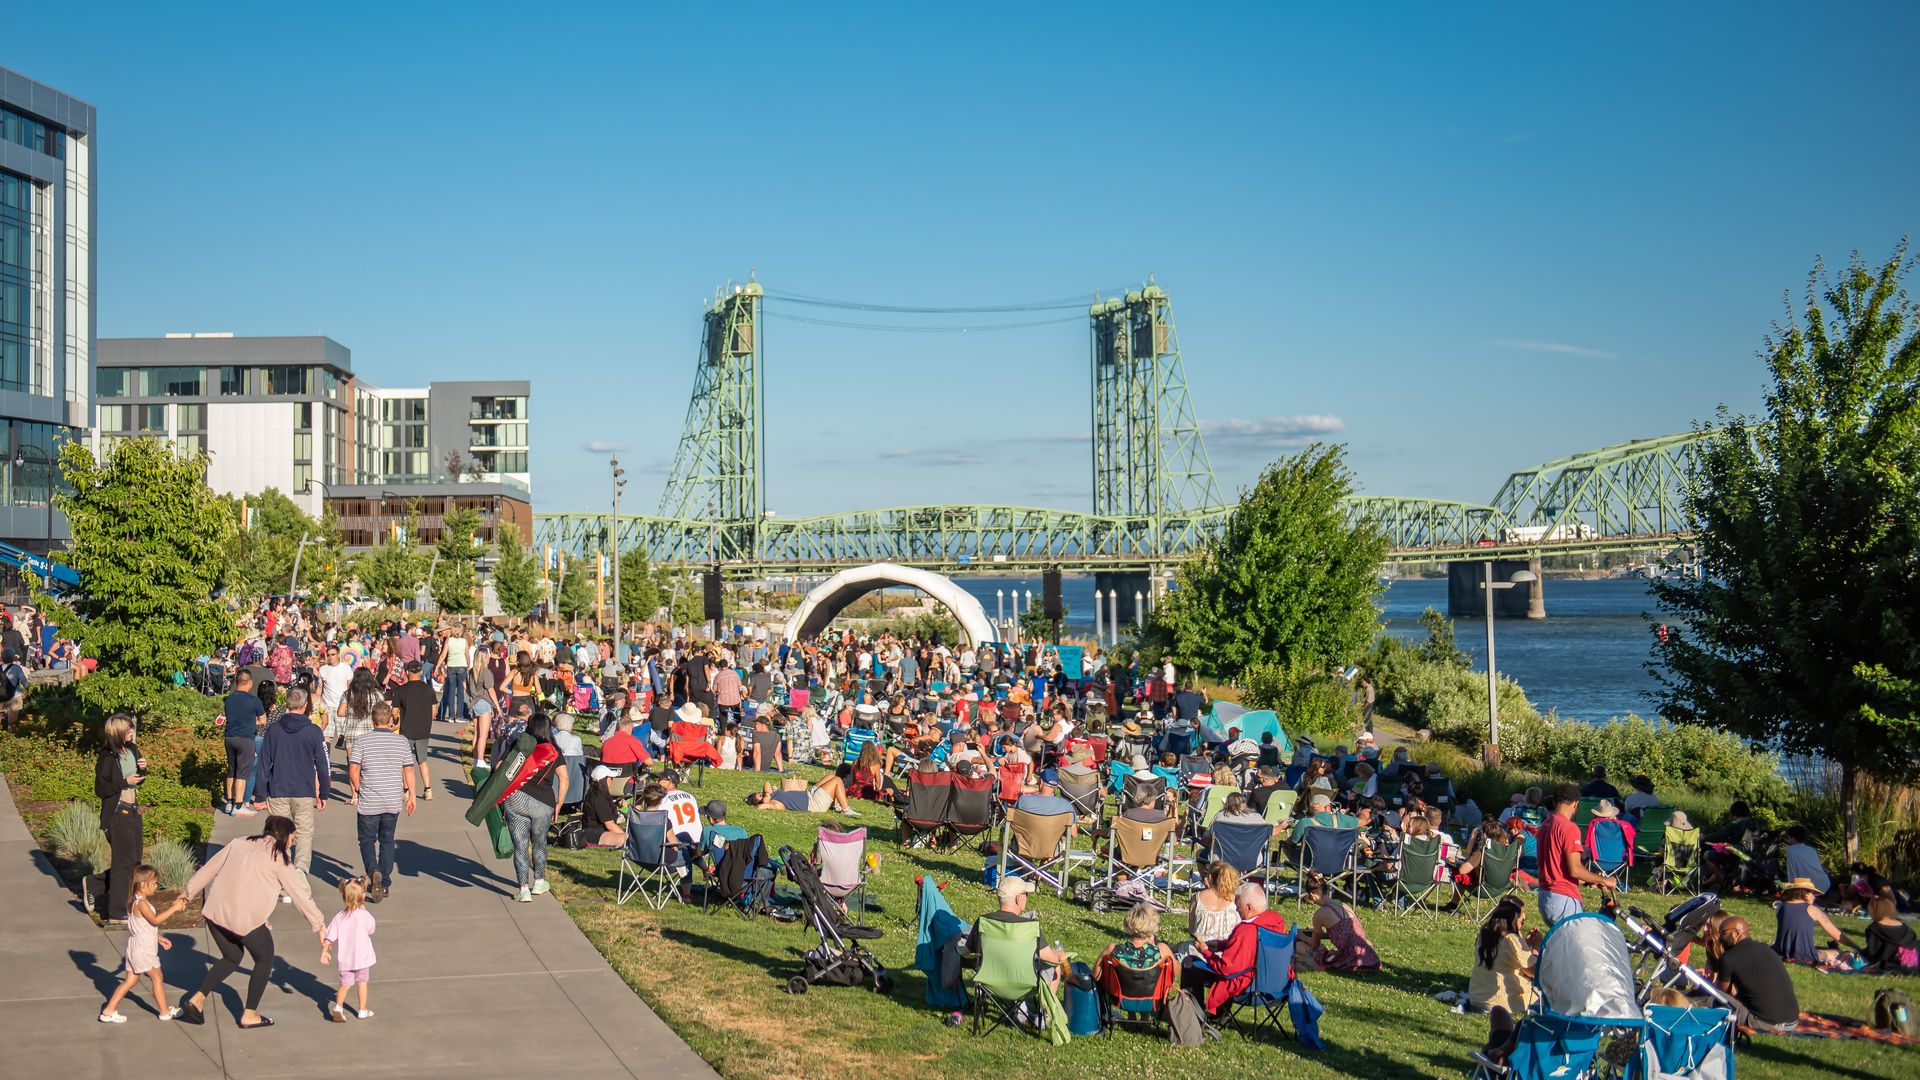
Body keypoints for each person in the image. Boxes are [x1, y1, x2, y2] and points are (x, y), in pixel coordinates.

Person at [177, 816, 327, 1029]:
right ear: (283, 836)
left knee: (232, 957)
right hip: (244, 921)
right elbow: (300, 895)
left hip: (215, 914)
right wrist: (319, 924)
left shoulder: (238, 843)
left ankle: (197, 999)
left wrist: (188, 893)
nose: (292, 843)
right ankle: (249, 1014)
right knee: (265, 959)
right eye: (292, 837)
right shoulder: (280, 861)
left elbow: (209, 869)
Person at [259, 688, 329, 898]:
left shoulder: (274, 730)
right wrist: (324, 792)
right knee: (304, 832)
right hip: (303, 790)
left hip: (278, 788)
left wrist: (260, 794)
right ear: (306, 705)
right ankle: (299, 870)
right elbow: (323, 765)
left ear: (287, 704)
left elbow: (263, 762)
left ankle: (283, 877)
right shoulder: (314, 731)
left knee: (280, 834)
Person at [347, 701, 417, 902]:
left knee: (367, 840)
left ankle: (373, 871)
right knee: (387, 841)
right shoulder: (401, 742)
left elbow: (353, 770)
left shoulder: (362, 741)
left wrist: (360, 789)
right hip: (392, 800)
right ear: (391, 720)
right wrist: (412, 795)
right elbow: (409, 770)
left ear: (372, 720)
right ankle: (384, 883)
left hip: (370, 801)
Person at [98, 865, 186, 1023]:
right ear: (143, 884)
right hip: (144, 949)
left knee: (130, 981)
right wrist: (174, 907)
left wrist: (158, 937)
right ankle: (165, 1012)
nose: (156, 886)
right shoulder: (142, 904)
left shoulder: (134, 901)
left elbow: (142, 926)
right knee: (157, 977)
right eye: (154, 883)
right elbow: (155, 920)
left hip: (135, 946)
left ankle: (108, 1011)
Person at [1192, 882, 1290, 1015]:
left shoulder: (1246, 931)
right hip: (1278, 987)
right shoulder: (1275, 921)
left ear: (1249, 907)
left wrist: (1205, 951)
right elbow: (1254, 948)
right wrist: (1222, 945)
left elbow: (1226, 969)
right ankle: (1218, 1017)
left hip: (1250, 990)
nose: (1236, 910)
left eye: (1238, 906)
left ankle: (1195, 1016)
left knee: (1190, 964)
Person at [501, 715, 568, 903]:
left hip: (516, 799)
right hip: (543, 803)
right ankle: (539, 882)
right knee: (539, 843)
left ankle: (523, 889)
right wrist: (559, 804)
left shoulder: (519, 746)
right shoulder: (554, 752)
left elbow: (501, 767)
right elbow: (564, 778)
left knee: (520, 846)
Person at [1467, 896, 1539, 1069]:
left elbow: (1508, 960)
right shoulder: (1511, 941)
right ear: (1513, 918)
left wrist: (1525, 945)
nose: (1523, 922)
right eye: (1522, 918)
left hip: (1478, 996)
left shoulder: (1484, 934)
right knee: (1539, 997)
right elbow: (1535, 972)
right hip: (1499, 1000)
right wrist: (1537, 947)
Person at [963, 877, 1069, 987]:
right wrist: (1057, 954)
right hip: (1022, 985)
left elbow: (966, 952)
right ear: (1018, 899)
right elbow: (1051, 960)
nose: (1027, 898)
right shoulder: (1029, 928)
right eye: (1026, 894)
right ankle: (1044, 1005)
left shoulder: (982, 922)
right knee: (1055, 967)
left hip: (990, 983)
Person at [93, 713, 147, 924]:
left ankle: (96, 884)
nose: (132, 732)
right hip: (117, 811)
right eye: (128, 729)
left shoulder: (132, 749)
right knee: (124, 862)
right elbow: (101, 789)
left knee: (134, 860)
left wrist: (143, 768)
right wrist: (124, 781)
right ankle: (116, 912)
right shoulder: (107, 757)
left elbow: (137, 779)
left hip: (133, 808)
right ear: (117, 732)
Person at [1537, 782, 1616, 925]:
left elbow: (1558, 868)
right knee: (1575, 945)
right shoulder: (1569, 828)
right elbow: (1575, 869)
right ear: (1575, 803)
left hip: (1545, 896)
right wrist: (1603, 880)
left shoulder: (1546, 825)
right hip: (1563, 898)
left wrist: (1591, 879)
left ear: (1555, 802)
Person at [1715, 915, 1800, 1029]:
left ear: (1736, 933)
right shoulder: (1767, 949)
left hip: (1764, 1023)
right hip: (1792, 1021)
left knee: (1709, 998)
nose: (1720, 938)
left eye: (1723, 933)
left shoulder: (1729, 958)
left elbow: (1722, 994)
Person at [1295, 870, 1380, 972]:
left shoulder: (1319, 915)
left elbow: (1314, 945)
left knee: (1299, 946)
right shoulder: (1344, 905)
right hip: (1369, 957)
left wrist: (1300, 935)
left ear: (1312, 895)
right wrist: (1318, 934)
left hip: (1352, 960)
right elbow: (1345, 933)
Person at [322, 876, 377, 1021]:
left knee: (345, 985)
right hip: (362, 958)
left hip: (346, 959)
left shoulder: (339, 917)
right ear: (363, 896)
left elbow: (329, 936)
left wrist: (325, 951)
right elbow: (371, 929)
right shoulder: (365, 915)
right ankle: (362, 1010)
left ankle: (338, 1007)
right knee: (362, 983)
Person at [1771, 877, 1856, 965]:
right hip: (1804, 955)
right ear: (1804, 893)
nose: (1814, 897)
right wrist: (1857, 947)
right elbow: (1837, 935)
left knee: (1819, 949)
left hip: (1780, 950)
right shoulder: (1812, 910)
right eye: (1812, 893)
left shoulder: (1781, 907)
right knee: (1835, 952)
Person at [390, 661, 438, 800]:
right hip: (423, 729)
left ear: (407, 672)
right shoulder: (429, 689)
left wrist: (396, 719)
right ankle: (428, 789)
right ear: (421, 672)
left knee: (405, 762)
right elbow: (433, 711)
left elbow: (394, 711)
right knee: (423, 760)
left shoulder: (401, 690)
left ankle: (406, 791)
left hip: (406, 730)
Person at [220, 671, 267, 816]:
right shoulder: (254, 701)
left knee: (231, 770)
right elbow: (263, 720)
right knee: (242, 773)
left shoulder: (229, 699)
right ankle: (239, 806)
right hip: (246, 738)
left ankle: (229, 802)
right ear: (250, 682)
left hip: (229, 737)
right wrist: (252, 721)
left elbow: (224, 715)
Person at [1097, 902, 1178, 983]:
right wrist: (1153, 946)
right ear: (1153, 924)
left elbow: (1096, 976)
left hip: (1118, 995)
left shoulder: (1112, 950)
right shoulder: (1162, 950)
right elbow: (1175, 973)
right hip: (1154, 995)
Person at [746, 774, 857, 815]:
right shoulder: (775, 803)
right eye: (760, 796)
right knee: (837, 780)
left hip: (809, 794)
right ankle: (845, 810)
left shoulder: (770, 795)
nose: (762, 794)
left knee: (831, 776)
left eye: (760, 793)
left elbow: (767, 783)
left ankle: (836, 805)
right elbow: (760, 807)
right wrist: (765, 801)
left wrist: (766, 794)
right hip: (813, 804)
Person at [1861, 896, 1920, 972]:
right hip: (1915, 963)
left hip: (1894, 965)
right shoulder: (1905, 927)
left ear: (1873, 910)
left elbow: (1872, 953)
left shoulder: (1874, 928)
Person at [1780, 826, 1831, 897]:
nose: (1788, 841)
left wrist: (1792, 888)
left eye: (1789, 838)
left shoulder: (1791, 850)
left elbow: (1792, 871)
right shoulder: (1811, 850)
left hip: (1810, 887)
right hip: (1825, 883)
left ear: (1793, 838)